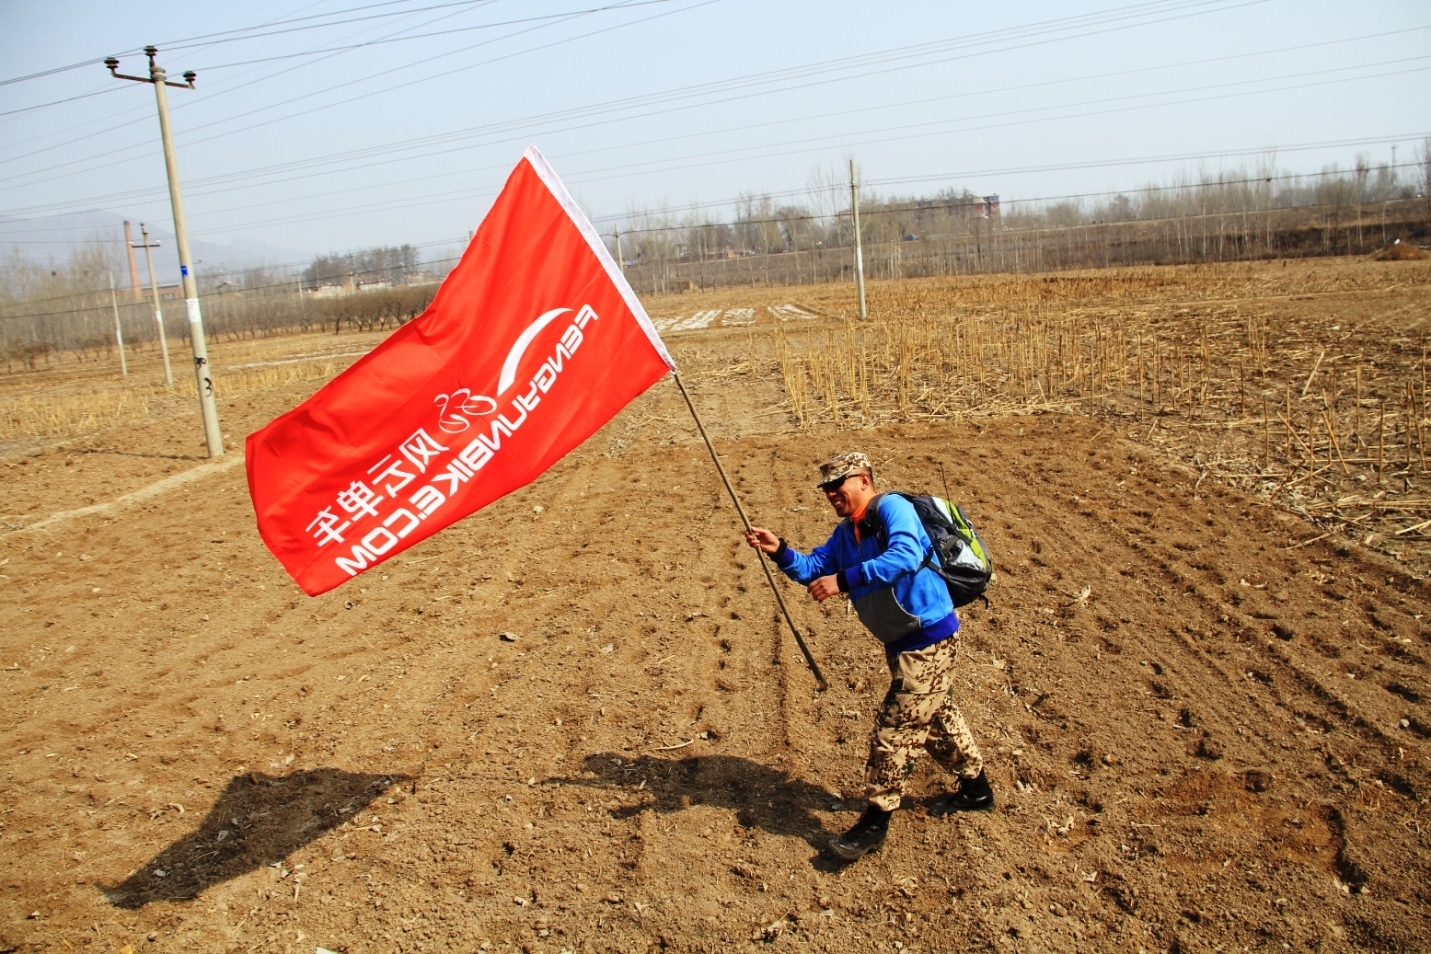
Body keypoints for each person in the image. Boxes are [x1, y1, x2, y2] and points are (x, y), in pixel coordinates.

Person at [744, 452, 993, 861]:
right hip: (901, 642)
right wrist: (779, 550)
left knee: (895, 729)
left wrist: (843, 581)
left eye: (836, 484)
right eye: (825, 488)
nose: (830, 493)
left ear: (862, 479)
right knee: (935, 720)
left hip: (930, 639)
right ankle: (977, 790)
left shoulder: (893, 507)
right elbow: (811, 568)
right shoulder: (847, 534)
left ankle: (874, 822)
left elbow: (905, 557)